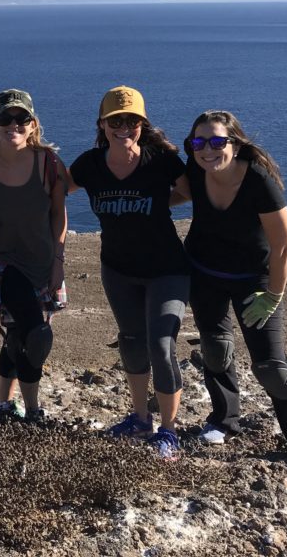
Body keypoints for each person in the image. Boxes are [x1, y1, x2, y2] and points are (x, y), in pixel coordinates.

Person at [182, 110, 287, 466]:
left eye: (217, 141)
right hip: (204, 275)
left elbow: (283, 246)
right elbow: (164, 195)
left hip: (255, 281)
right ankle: (224, 419)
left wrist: (274, 295)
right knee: (216, 350)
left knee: (272, 368)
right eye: (198, 143)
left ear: (235, 142)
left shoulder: (258, 180)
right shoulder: (195, 172)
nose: (207, 150)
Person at [67, 86, 189, 459]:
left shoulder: (162, 160)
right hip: (117, 270)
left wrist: (159, 204)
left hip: (166, 268)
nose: (124, 127)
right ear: (102, 124)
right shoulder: (89, 164)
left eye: (132, 121)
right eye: (115, 121)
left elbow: (191, 191)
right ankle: (140, 418)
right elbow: (55, 191)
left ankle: (169, 432)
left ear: (142, 124)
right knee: (132, 341)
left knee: (162, 345)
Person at [0, 89, 67, 421]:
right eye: (5, 119)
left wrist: (59, 263)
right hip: (1, 263)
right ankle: (34, 411)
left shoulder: (48, 163)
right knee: (34, 333)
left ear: (33, 124)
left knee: (17, 334)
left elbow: (58, 214)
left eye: (21, 119)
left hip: (41, 262)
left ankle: (2, 405)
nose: (13, 125)